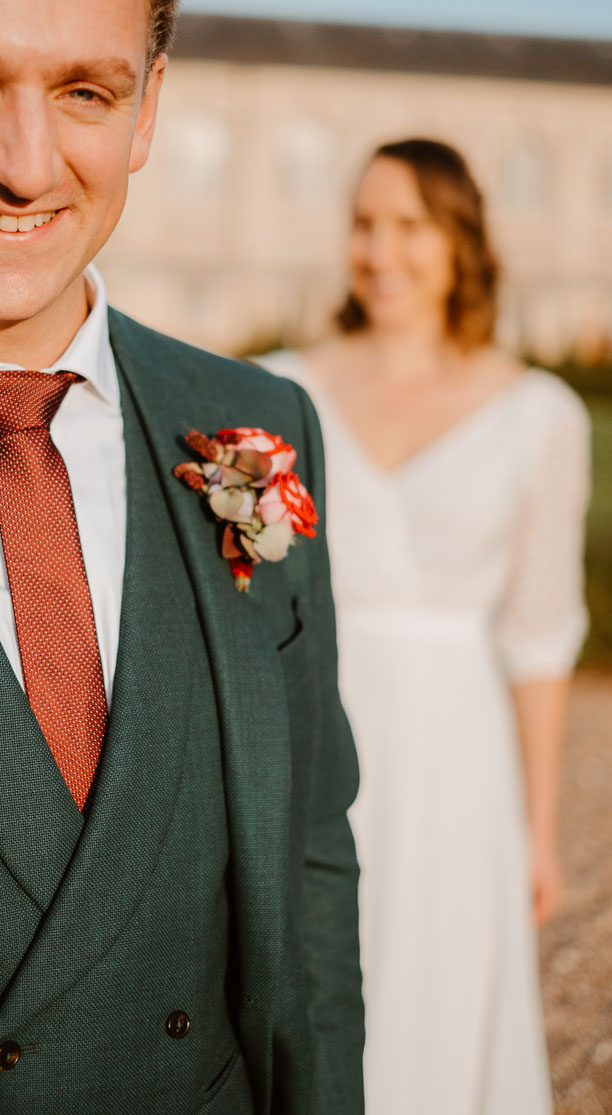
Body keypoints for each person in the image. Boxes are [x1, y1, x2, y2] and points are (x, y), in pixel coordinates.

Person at [0, 0, 365, 1111]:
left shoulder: (255, 420)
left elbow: (312, 858)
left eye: (85, 93)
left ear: (146, 113)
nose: (24, 166)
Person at [259, 138, 589, 1115]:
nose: (379, 249)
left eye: (408, 224)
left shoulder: (540, 414)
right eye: (364, 223)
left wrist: (536, 829)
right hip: (311, 729)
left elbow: (538, 635)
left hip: (458, 756)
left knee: (437, 998)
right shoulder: (278, 392)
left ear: (459, 240)